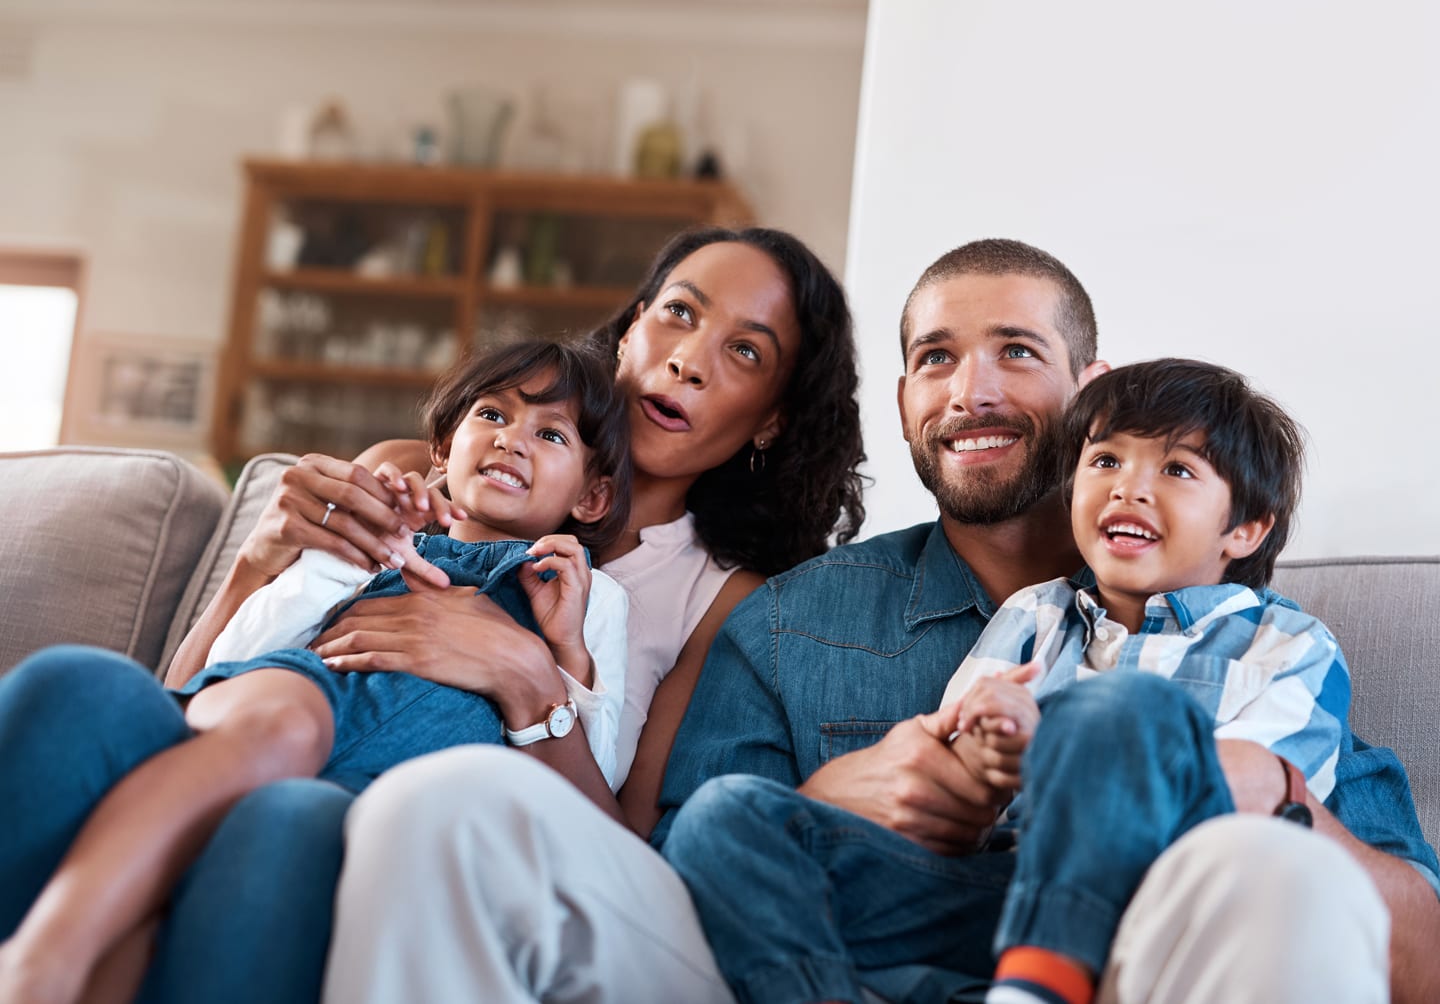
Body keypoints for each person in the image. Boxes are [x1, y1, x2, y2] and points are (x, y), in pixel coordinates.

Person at [0, 225, 866, 1004]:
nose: (688, 360)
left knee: (288, 820)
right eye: (678, 314)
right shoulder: (422, 477)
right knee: (77, 685)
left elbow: (624, 857)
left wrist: (527, 677)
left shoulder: (726, 597)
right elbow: (187, 696)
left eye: (745, 353)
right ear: (633, 326)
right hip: (274, 723)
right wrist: (256, 566)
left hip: (402, 813)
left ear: (772, 421)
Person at [653, 240, 1438, 1004]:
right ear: (903, 404)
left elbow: (1421, 956)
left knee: (1137, 723)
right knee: (723, 815)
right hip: (929, 910)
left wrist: (1274, 795)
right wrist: (834, 794)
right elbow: (675, 873)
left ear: (1090, 392)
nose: (971, 393)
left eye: (1017, 352)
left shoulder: (1263, 644)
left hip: (1154, 932)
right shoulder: (791, 621)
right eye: (936, 358)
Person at [0, 340, 632, 1003]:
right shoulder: (382, 535)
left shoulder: (589, 595)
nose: (513, 442)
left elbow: (592, 776)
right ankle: (41, 960)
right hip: (290, 702)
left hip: (381, 784)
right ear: (444, 449)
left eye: (550, 432)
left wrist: (566, 657)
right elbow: (237, 655)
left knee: (184, 887)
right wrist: (354, 557)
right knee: (282, 727)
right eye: (493, 416)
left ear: (591, 497)